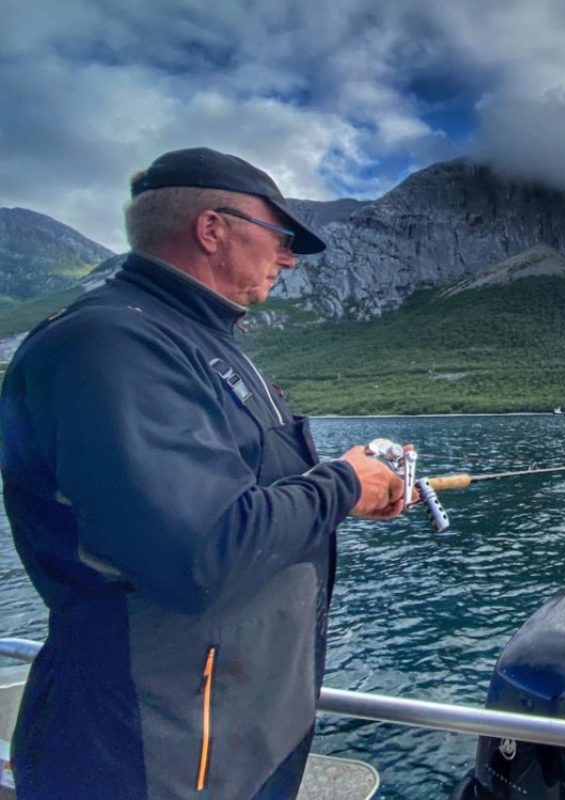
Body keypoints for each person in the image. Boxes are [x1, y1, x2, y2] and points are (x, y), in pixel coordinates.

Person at [0, 147, 408, 799]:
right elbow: (199, 552)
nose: (289, 257)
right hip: (143, 754)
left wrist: (347, 494)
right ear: (212, 229)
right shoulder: (109, 348)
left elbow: (249, 497)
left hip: (223, 742)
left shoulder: (196, 344)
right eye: (280, 236)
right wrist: (342, 486)